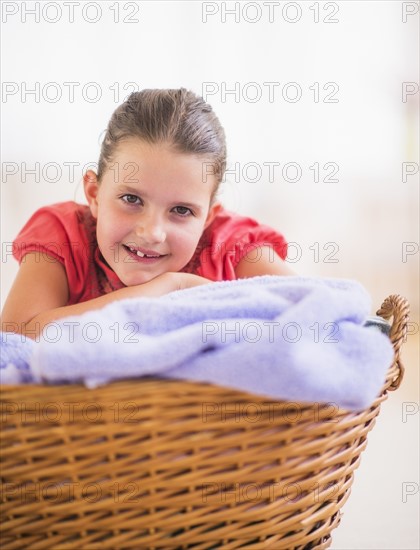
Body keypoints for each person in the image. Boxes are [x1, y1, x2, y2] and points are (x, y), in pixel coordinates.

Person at [1, 88, 294, 340]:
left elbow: (313, 315)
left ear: (207, 218)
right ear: (94, 195)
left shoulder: (233, 245)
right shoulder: (63, 235)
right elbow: (16, 338)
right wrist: (169, 287)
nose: (152, 232)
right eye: (131, 199)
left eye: (181, 210)